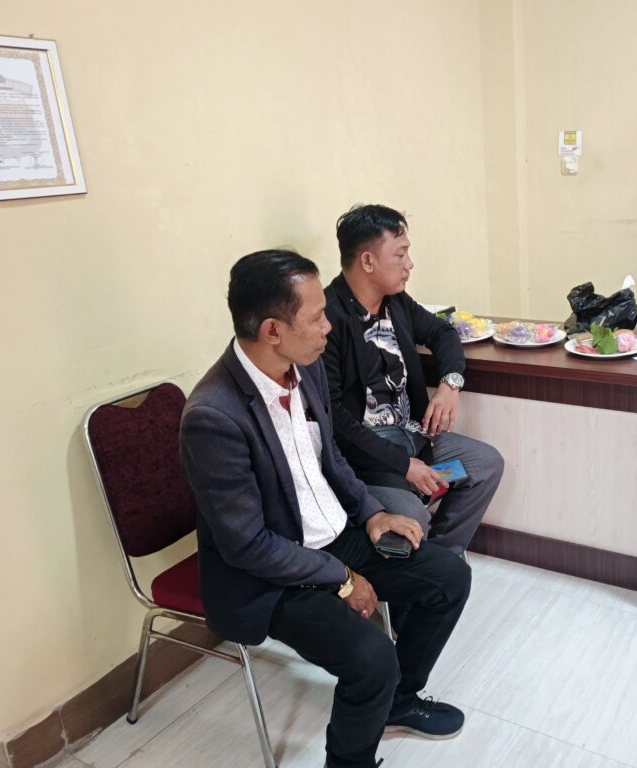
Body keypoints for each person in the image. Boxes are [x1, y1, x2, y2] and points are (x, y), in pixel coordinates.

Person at [180, 250, 473, 768]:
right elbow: (247, 545)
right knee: (371, 657)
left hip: (333, 534)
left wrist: (371, 512)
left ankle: (397, 702)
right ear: (273, 330)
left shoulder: (304, 368)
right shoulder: (213, 416)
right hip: (270, 574)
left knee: (448, 577)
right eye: (316, 317)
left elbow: (330, 456)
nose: (328, 327)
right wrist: (342, 577)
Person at [323, 203, 504, 557]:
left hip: (416, 439)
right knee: (412, 517)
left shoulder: (396, 302)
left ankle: (443, 558)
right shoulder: (329, 319)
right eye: (400, 254)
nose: (410, 264)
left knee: (485, 464)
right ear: (367, 261)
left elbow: (442, 332)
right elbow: (335, 418)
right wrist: (404, 467)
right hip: (367, 462)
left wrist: (451, 384)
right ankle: (427, 564)